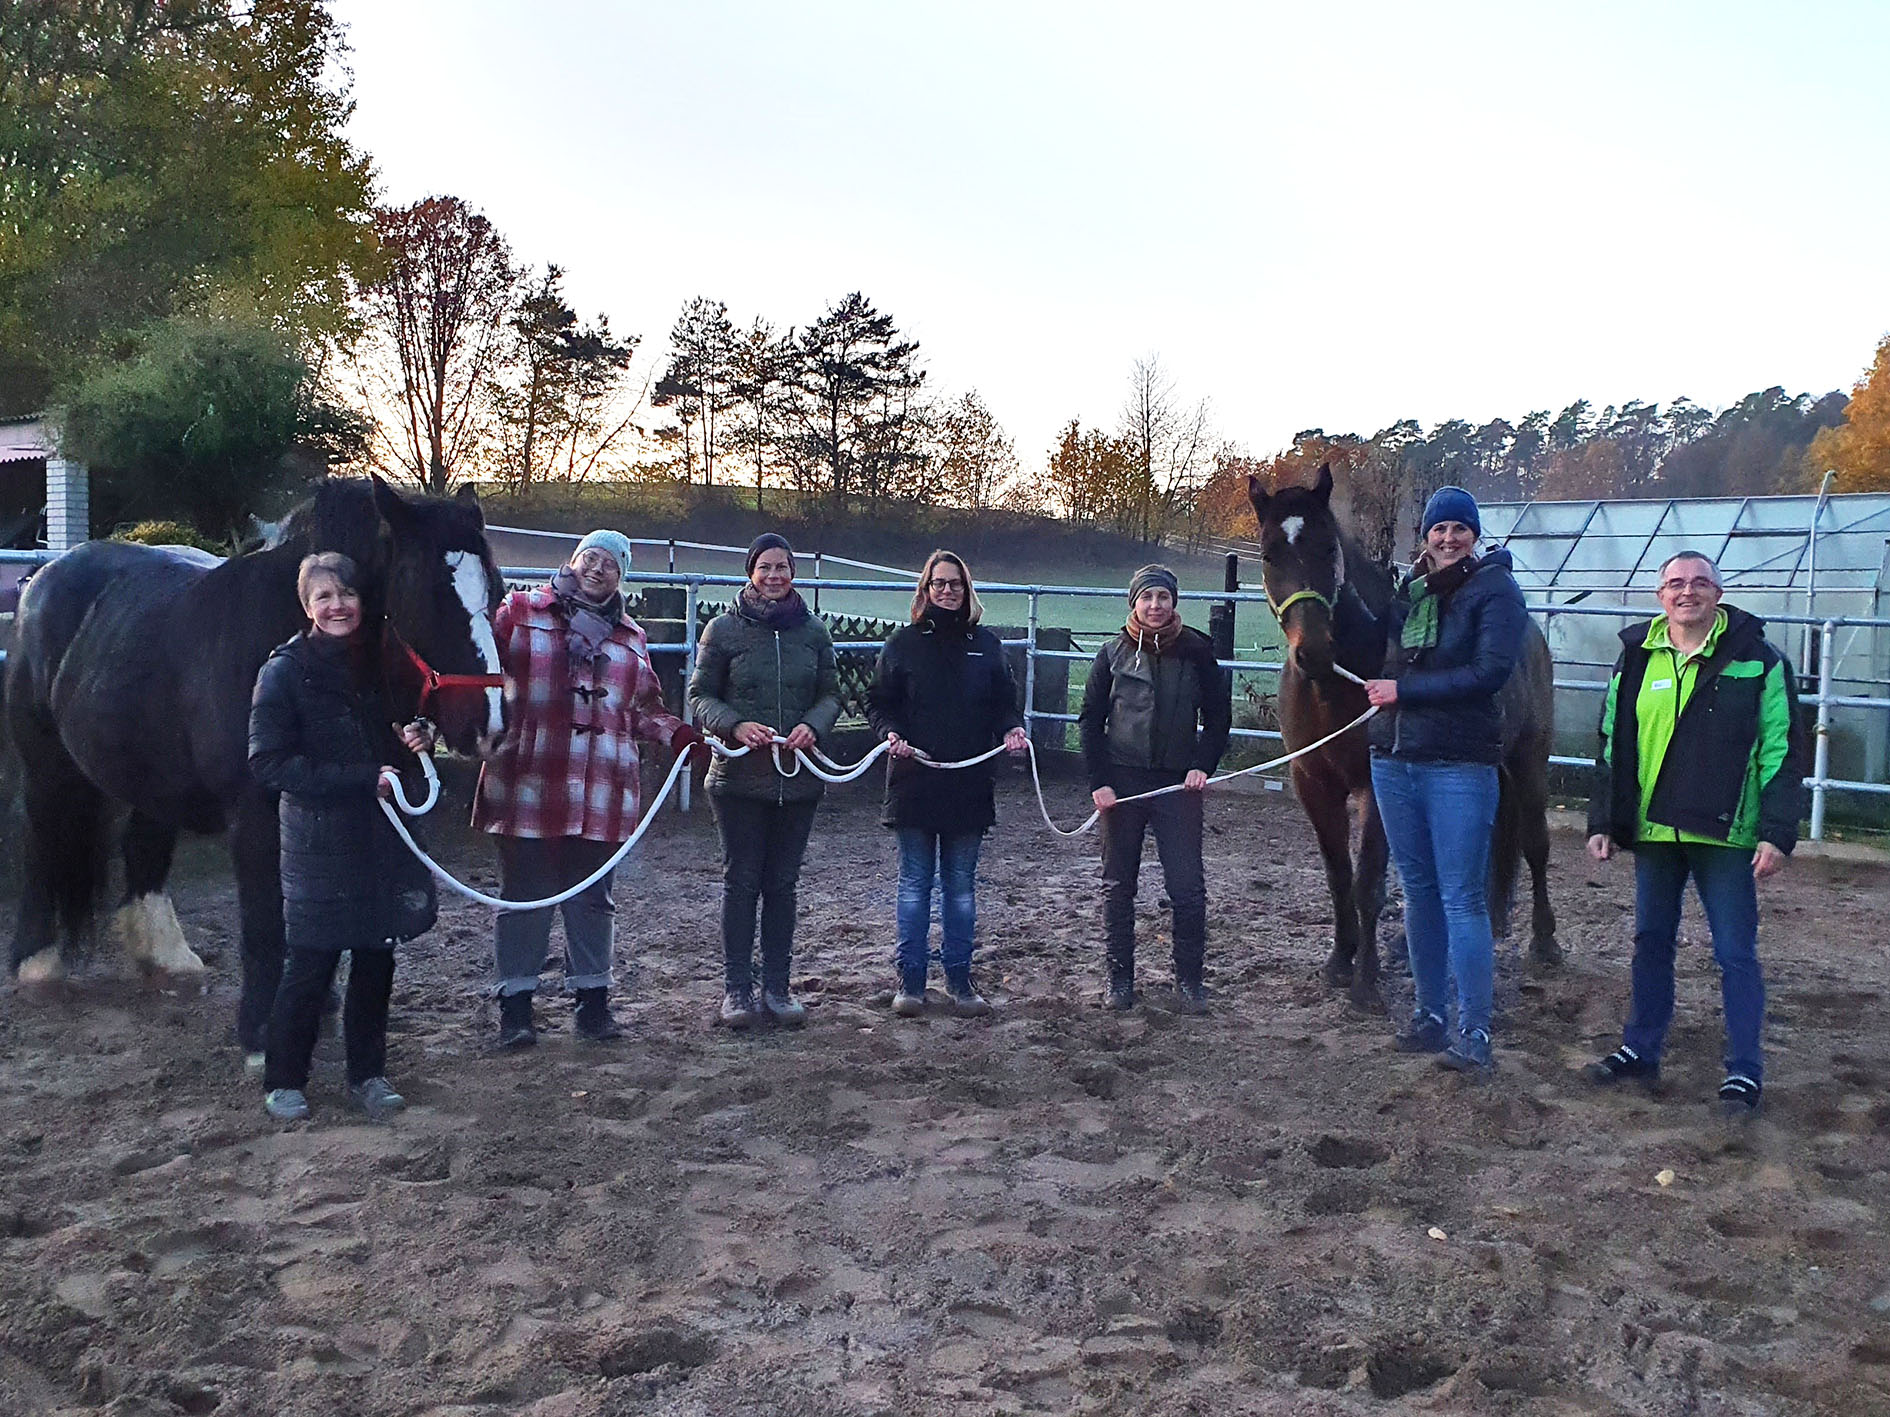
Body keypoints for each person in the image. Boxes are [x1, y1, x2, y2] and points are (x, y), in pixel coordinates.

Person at [1583, 551, 1804, 1118]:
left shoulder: (1758, 661)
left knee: (1735, 954)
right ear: (1661, 595)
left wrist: (1777, 831)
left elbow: (1781, 749)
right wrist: (1605, 819)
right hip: (1656, 831)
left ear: (1718, 594)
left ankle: (1744, 1071)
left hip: (1727, 835)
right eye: (1676, 584)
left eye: (1701, 583)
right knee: (1651, 943)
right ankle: (1641, 1046)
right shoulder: (1635, 657)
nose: (1688, 592)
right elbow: (1612, 741)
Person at [474, 530, 701, 1049]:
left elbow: (642, 709)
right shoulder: (518, 612)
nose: (598, 570)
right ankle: (516, 1007)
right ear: (573, 561)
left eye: (611, 565)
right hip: (530, 781)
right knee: (525, 894)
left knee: (593, 898)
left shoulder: (631, 637)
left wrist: (678, 735)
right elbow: (480, 676)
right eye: (590, 558)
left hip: (603, 787)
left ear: (622, 576)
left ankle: (593, 1003)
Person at [249, 552, 439, 1123]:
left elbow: (401, 727)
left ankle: (368, 1074)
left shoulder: (382, 668)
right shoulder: (282, 672)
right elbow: (270, 762)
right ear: (308, 606)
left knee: (376, 960)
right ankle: (285, 1079)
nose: (338, 607)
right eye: (325, 597)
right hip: (318, 843)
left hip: (380, 839)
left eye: (347, 595)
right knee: (309, 963)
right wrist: (363, 780)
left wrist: (418, 736)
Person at [1361, 486, 1525, 1074]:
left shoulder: (1496, 592)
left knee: (1462, 896)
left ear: (1473, 535)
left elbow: (1488, 673)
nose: (1448, 538)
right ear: (1425, 535)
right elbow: (1381, 654)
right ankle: (1430, 1014)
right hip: (1395, 760)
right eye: (1439, 529)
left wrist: (1404, 692)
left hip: (1459, 763)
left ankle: (1475, 1028)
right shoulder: (1409, 593)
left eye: (1460, 528)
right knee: (1418, 889)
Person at [688, 533, 841, 1029]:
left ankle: (777, 985)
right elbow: (700, 695)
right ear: (750, 572)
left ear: (793, 573)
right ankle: (737, 988)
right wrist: (734, 725)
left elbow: (831, 694)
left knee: (783, 885)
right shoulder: (723, 630)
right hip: (738, 781)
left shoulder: (814, 632)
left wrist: (812, 726)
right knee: (741, 881)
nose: (774, 576)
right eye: (765, 568)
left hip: (798, 782)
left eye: (782, 567)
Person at [867, 550, 1029, 1018]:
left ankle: (960, 980)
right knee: (915, 884)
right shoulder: (902, 644)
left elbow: (1005, 703)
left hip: (969, 782)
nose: (946, 590)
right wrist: (890, 735)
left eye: (954, 583)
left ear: (966, 589)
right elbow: (880, 703)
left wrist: (1011, 729)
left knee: (960, 886)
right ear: (925, 589)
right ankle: (911, 983)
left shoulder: (987, 645)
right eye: (938, 583)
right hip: (915, 780)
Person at [1078, 564, 1231, 1013]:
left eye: (1162, 597)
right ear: (1134, 603)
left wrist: (1202, 766)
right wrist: (1100, 781)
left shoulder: (1198, 652)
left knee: (1187, 885)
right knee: (1117, 884)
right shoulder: (1112, 654)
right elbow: (1090, 720)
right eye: (1147, 598)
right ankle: (1119, 981)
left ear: (1173, 602)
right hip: (1122, 782)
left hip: (1177, 784)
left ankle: (1189, 983)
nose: (1155, 606)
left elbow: (1218, 717)